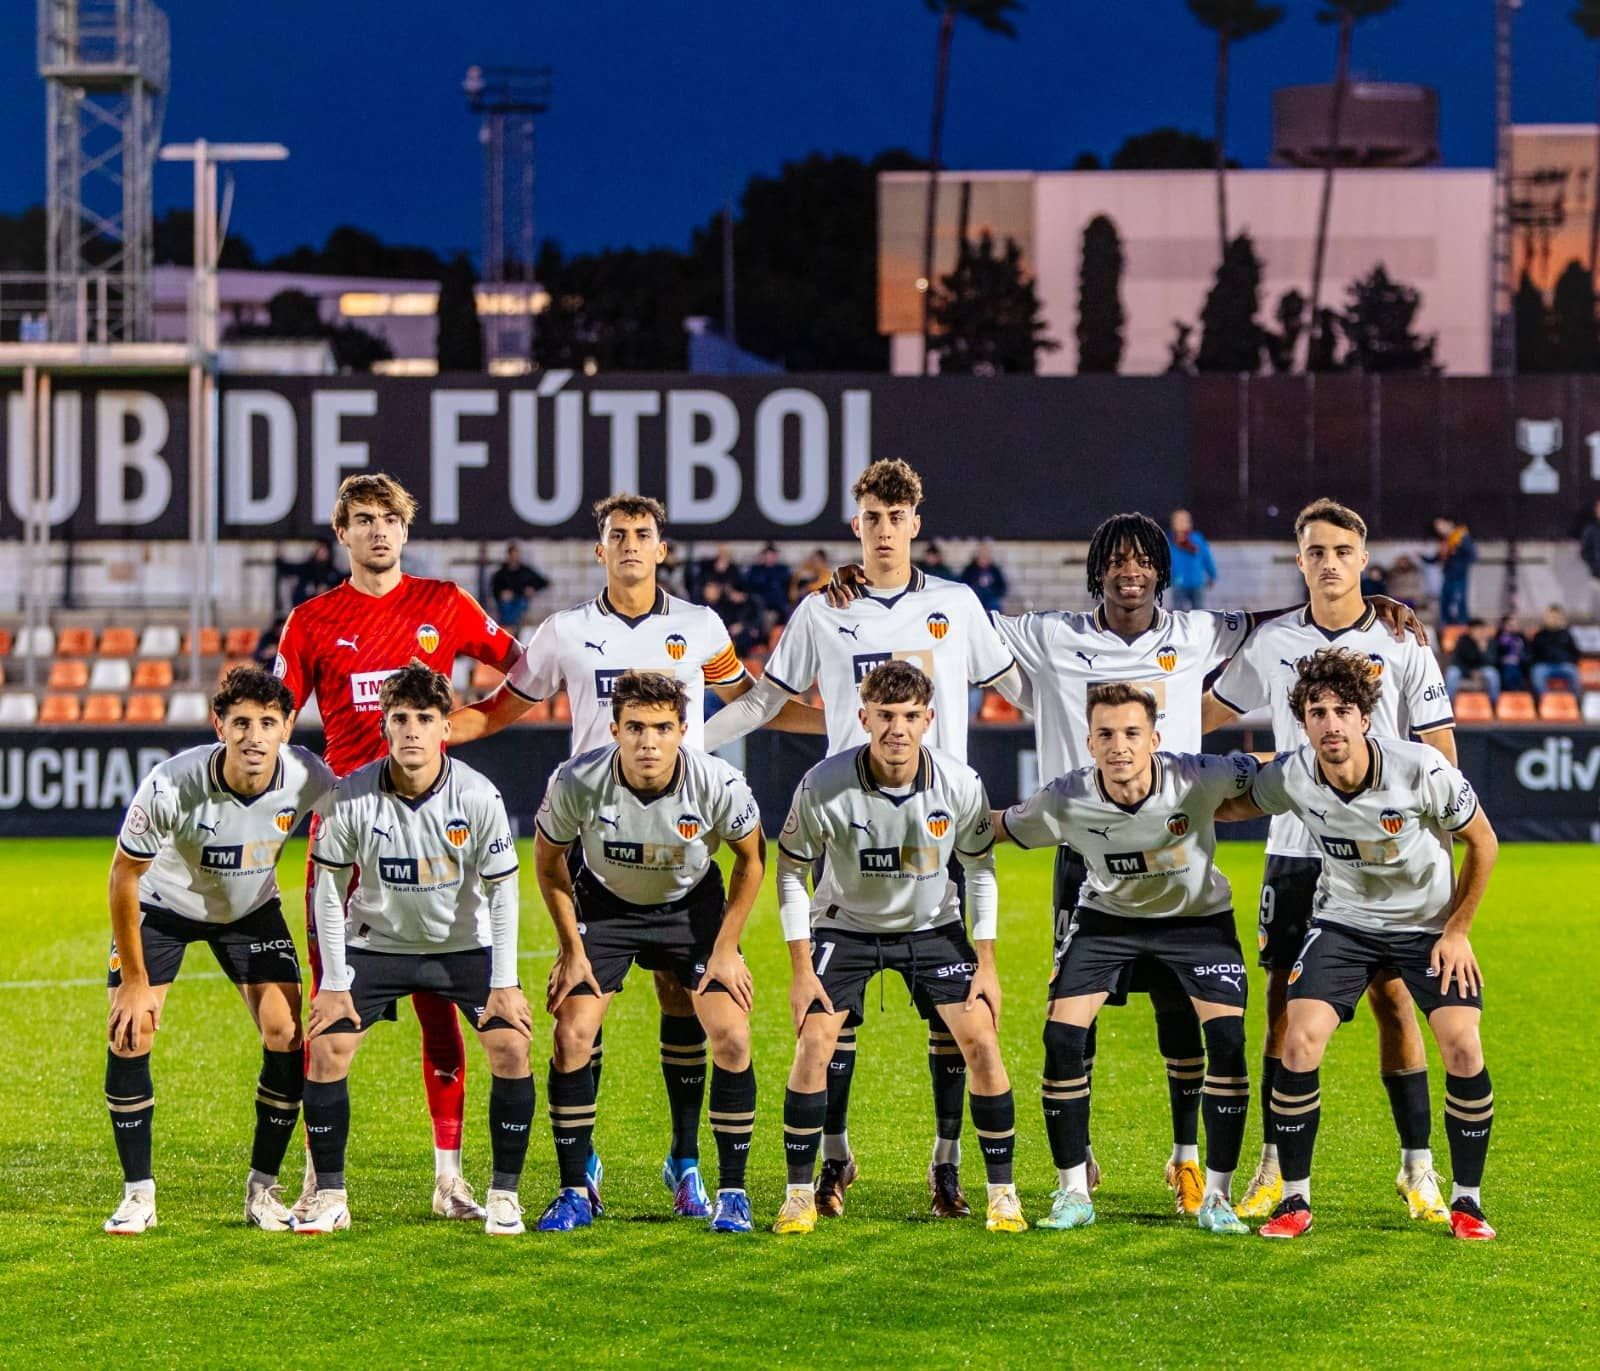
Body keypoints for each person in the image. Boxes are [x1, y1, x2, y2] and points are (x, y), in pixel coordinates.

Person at [987, 509, 1422, 1214]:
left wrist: (1370, 612)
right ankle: (1081, 1158)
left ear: (1162, 570)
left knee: (1181, 1009)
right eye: (1117, 561)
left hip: (1180, 844)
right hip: (1088, 843)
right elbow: (950, 620)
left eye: (1143, 561)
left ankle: (1186, 1160)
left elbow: (1283, 618)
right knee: (1072, 1009)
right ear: (1099, 570)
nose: (1130, 572)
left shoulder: (1196, 632)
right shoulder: (1050, 634)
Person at [448, 494, 820, 1219]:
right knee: (578, 1026)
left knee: (691, 1006)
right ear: (599, 550)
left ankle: (687, 1162)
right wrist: (428, 737)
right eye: (615, 535)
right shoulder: (565, 632)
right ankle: (580, 1174)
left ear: (661, 549)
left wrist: (846, 720)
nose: (628, 544)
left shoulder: (699, 626)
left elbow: (749, 697)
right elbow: (498, 708)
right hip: (602, 848)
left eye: (641, 534)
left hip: (686, 852)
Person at [706, 458, 1026, 1221]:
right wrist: (694, 745)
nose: (885, 529)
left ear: (917, 523)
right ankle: (833, 1158)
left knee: (958, 1024)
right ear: (857, 525)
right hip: (847, 830)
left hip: (938, 830)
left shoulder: (957, 604)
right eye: (872, 517)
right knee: (828, 1022)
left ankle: (947, 1163)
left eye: (897, 516)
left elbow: (1024, 687)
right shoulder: (824, 611)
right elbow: (762, 702)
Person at [273, 472, 524, 1222]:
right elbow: (277, 718)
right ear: (340, 532)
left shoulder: (443, 604)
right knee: (331, 1007)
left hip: (434, 823)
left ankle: (449, 1177)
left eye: (389, 518)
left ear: (405, 531)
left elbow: (525, 665)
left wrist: (473, 724)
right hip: (347, 836)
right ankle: (324, 1181)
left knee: (442, 1012)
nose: (377, 530)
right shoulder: (312, 619)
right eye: (361, 519)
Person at [1203, 497, 1458, 1223]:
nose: (1329, 562)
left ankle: (1418, 1167)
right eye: (1316, 550)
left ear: (1363, 559)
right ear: (1300, 559)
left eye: (1342, 550)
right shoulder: (1275, 640)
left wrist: (1429, 846)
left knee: (1394, 1000)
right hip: (1295, 852)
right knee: (1284, 1007)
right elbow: (1207, 710)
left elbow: (1441, 754)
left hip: (1384, 857)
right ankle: (1274, 1165)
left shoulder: (1403, 640)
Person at [1225, 648, 1500, 1242]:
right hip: (1345, 923)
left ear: (1365, 719)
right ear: (1304, 721)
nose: (1330, 723)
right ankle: (1293, 1200)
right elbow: (1235, 803)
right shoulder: (1295, 773)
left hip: (1426, 927)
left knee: (1462, 1046)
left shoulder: (1421, 769)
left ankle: (1468, 1202)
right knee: (1298, 1038)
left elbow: (1484, 842)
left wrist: (1457, 931)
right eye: (1317, 712)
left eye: (1342, 711)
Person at [772, 662, 1025, 1236]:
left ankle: (990, 1188)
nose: (897, 729)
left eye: (910, 717)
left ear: (929, 720)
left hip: (933, 926)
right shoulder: (822, 784)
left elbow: (980, 870)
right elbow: (790, 871)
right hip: (845, 925)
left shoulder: (959, 783)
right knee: (815, 1038)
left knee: (980, 1036)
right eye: (885, 716)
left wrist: (986, 964)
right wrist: (799, 968)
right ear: (864, 718)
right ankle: (801, 1189)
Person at [994, 682, 1257, 1235]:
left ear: (1154, 739)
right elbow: (1000, 826)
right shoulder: (1066, 797)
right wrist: (933, 825)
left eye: (1132, 733)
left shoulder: (1197, 775)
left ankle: (1216, 1195)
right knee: (1062, 1036)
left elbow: (1269, 771)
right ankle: (1072, 1191)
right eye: (1106, 734)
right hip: (1108, 921)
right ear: (1089, 742)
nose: (1120, 746)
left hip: (1198, 923)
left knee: (1228, 1042)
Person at [296, 664, 534, 1236]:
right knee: (326, 1050)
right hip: (375, 946)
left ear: (444, 729)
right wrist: (332, 984)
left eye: (424, 719)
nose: (411, 731)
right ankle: (330, 1195)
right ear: (383, 726)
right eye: (400, 719)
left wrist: (504, 981)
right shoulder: (348, 797)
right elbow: (327, 894)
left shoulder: (478, 796)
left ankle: (502, 1196)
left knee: (511, 1047)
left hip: (462, 947)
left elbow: (504, 892)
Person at [102, 667, 334, 1235]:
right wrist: (133, 981)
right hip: (164, 909)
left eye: (268, 723)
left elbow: (357, 823)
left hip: (250, 910)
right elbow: (123, 878)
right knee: (131, 1032)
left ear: (285, 729)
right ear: (219, 726)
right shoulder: (170, 783)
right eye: (241, 723)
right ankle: (139, 1195)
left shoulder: (309, 775)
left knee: (286, 1034)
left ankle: (263, 1190)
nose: (254, 736)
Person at [534, 671, 765, 1234]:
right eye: (635, 727)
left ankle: (718, 1185)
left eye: (662, 728)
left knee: (731, 1035)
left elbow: (752, 859)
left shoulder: (717, 781)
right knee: (571, 1034)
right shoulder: (577, 780)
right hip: (606, 904)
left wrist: (727, 948)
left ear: (683, 730)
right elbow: (548, 861)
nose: (648, 741)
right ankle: (575, 1185)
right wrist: (571, 949)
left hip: (690, 906)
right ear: (613, 729)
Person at [1426, 517, 1476, 626]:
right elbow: (1437, 558)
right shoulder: (1445, 541)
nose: (1439, 529)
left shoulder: (1461, 537)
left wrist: (1459, 565)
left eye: (1441, 525)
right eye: (1437, 527)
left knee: (1459, 601)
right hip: (1448, 575)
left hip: (1459, 576)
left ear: (1449, 523)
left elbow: (1472, 555)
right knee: (1445, 601)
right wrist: (1423, 558)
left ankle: (1462, 624)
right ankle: (1446, 625)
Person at [488, 542, 550, 630]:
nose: (514, 557)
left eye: (516, 555)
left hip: (520, 600)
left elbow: (544, 582)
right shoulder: (501, 573)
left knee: (520, 604)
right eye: (512, 555)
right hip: (506, 603)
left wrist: (532, 588)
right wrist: (501, 594)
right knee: (506, 606)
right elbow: (494, 588)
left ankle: (509, 628)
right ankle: (512, 628)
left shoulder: (526, 571)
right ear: (508, 556)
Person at [1167, 509, 1217, 612]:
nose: (1181, 524)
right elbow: (1165, 560)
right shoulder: (1170, 541)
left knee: (1198, 611)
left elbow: (1206, 558)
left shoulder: (1196, 539)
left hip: (1196, 582)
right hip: (1178, 582)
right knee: (1178, 611)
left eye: (1184, 521)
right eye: (1178, 521)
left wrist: (1212, 575)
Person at [1529, 603, 1582, 696]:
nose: (1554, 619)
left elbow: (1575, 652)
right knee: (1537, 674)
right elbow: (1532, 653)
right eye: (1552, 616)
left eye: (1557, 617)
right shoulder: (1540, 635)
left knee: (1573, 672)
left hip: (1563, 664)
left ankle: (1573, 701)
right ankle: (1546, 702)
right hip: (1544, 665)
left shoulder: (1566, 634)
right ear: (1547, 618)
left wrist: (1569, 660)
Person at [1445, 619, 1501, 706]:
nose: (1480, 632)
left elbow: (1492, 662)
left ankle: (1494, 704)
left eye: (1482, 629)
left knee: (1492, 673)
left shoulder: (1490, 641)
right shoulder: (1463, 640)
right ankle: (1448, 704)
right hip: (1464, 669)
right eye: (1477, 629)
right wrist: (1469, 672)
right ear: (1471, 631)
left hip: (1482, 669)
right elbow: (1457, 660)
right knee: (1452, 672)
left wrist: (1483, 650)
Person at [280, 538, 344, 611]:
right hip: (306, 609)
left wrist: (327, 589)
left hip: (325, 611)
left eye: (324, 550)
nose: (322, 553)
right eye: (319, 550)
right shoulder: (307, 569)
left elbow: (341, 582)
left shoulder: (332, 571)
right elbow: (289, 569)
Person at [744, 543, 793, 627]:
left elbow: (788, 588)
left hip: (779, 605)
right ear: (763, 556)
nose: (769, 558)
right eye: (767, 555)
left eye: (772, 555)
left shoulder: (783, 570)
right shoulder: (756, 570)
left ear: (776, 556)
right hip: (760, 605)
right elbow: (750, 587)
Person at [961, 540, 1009, 613]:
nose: (984, 558)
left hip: (991, 600)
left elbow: (1002, 587)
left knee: (994, 605)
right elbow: (964, 584)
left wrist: (995, 593)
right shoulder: (970, 570)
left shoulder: (994, 570)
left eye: (986, 555)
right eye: (982, 555)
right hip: (975, 598)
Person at [1492, 616, 1528, 693]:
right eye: (1510, 624)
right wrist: (1504, 659)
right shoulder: (1498, 638)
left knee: (1515, 668)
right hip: (1504, 665)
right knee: (1510, 668)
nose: (1513, 626)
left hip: (1521, 664)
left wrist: (1520, 659)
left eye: (1514, 624)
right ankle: (1512, 693)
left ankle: (1518, 693)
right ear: (1504, 626)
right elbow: (1496, 655)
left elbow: (1528, 652)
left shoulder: (1522, 637)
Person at [1581, 497, 1600, 621]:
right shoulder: (1591, 529)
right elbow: (1585, 551)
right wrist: (1594, 564)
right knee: (1596, 601)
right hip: (1597, 572)